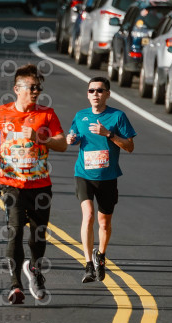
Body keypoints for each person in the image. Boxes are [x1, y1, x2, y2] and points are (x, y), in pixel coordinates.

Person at [0, 64, 67, 305]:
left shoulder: (47, 114)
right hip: (11, 184)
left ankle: (35, 270)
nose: (37, 91)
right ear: (17, 89)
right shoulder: (0, 113)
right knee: (15, 232)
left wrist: (40, 137)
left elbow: (62, 144)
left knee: (38, 236)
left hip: (40, 185)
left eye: (39, 87)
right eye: (32, 87)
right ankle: (15, 286)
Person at [66, 77, 135, 283]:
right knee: (88, 215)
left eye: (99, 90)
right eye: (91, 90)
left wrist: (109, 134)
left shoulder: (117, 116)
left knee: (104, 223)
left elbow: (130, 147)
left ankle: (101, 256)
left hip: (108, 177)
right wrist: (71, 139)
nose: (95, 94)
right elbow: (74, 135)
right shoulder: (80, 115)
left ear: (107, 94)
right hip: (84, 174)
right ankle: (88, 264)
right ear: (87, 94)